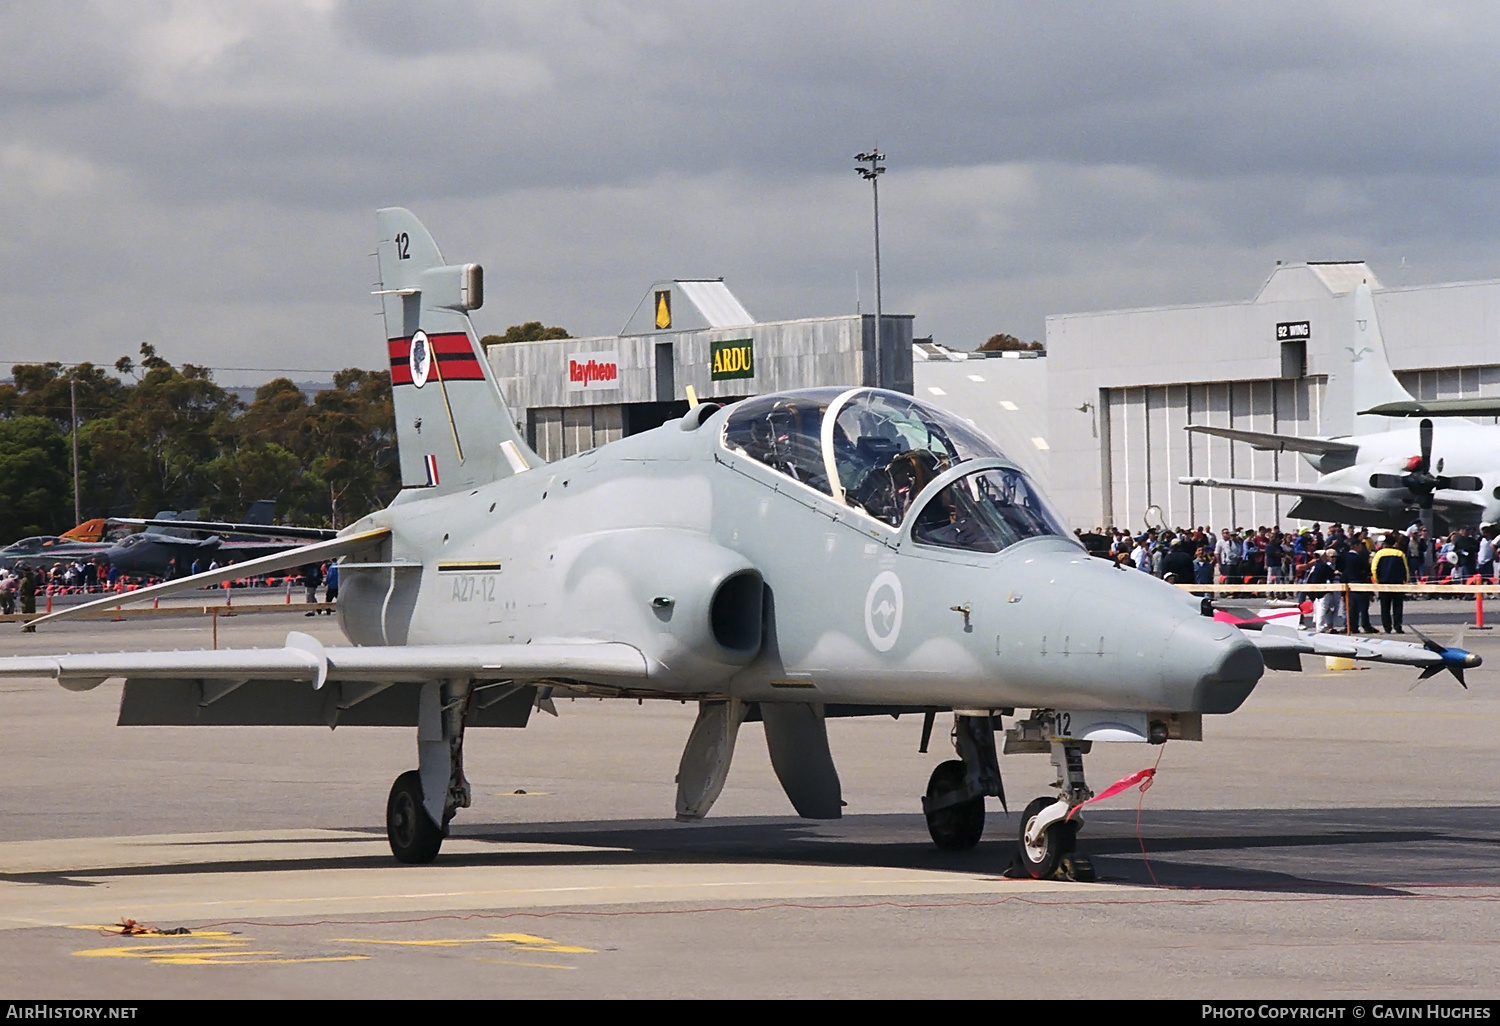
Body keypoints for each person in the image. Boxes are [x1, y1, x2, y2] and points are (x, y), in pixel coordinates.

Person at [1372, 533, 1410, 634]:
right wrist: (1405, 581)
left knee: (1385, 607)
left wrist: (1377, 580)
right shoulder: (1400, 553)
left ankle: (1387, 627)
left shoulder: (1379, 553)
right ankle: (1398, 626)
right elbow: (1405, 569)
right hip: (1398, 583)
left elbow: (1374, 568)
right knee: (1398, 606)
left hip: (1384, 583)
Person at [1340, 538, 1374, 633]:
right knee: (1363, 607)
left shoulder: (1345, 557)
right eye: (1359, 545)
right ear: (1355, 546)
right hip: (1360, 582)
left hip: (1348, 583)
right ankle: (1366, 625)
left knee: (1352, 608)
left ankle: (1352, 626)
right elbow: (1366, 571)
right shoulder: (1359, 558)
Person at [1307, 548, 1341, 632]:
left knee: (1320, 609)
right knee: (1322, 608)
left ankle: (1320, 625)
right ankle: (1320, 627)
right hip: (1323, 591)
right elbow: (1331, 575)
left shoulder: (1317, 565)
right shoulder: (1322, 566)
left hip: (1318, 591)